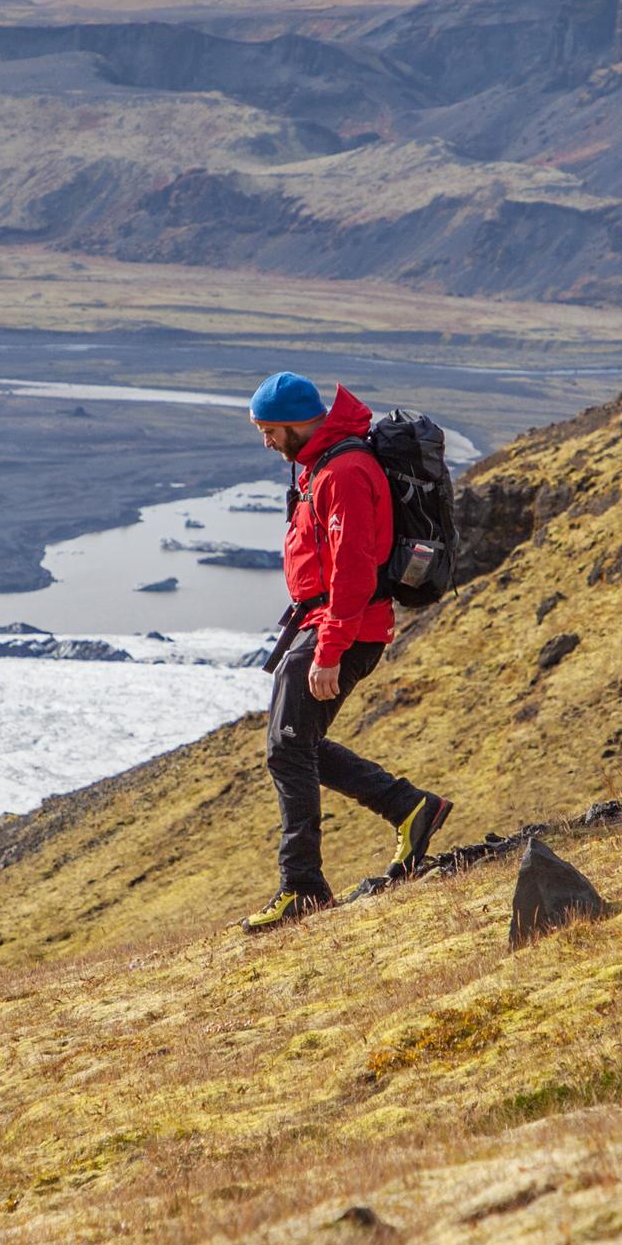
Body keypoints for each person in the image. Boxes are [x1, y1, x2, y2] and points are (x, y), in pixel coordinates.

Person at [241, 370, 448, 930]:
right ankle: (409, 807)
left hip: (343, 629)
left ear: (295, 423)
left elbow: (353, 569)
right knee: (295, 744)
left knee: (288, 749)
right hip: (328, 624)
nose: (267, 442)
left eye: (269, 430)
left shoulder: (345, 472)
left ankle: (303, 888)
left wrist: (329, 650)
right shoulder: (322, 464)